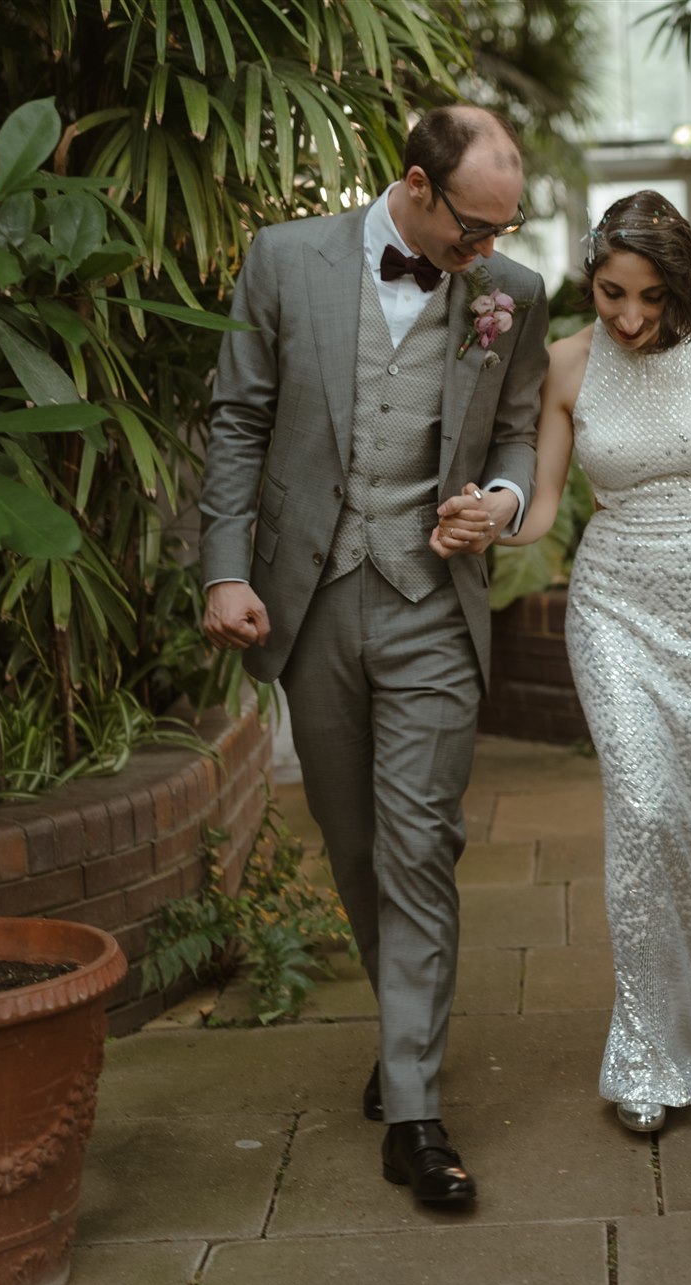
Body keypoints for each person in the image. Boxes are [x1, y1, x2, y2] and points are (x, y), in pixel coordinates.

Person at [437, 191, 691, 1133]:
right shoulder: (566, 363)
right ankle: (650, 1052)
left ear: (681, 288)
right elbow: (541, 506)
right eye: (611, 291)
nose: (627, 315)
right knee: (644, 804)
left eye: (650, 297)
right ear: (591, 279)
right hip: (614, 602)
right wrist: (487, 522)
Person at [200, 105, 549, 1205]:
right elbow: (236, 422)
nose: (485, 252)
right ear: (413, 184)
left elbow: (520, 429)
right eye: (471, 229)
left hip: (431, 607)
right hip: (309, 598)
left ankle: (416, 1111)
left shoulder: (513, 296)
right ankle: (405, 1033)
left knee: (416, 845)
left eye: (503, 229)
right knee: (351, 845)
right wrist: (223, 569)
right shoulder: (282, 259)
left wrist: (497, 500)